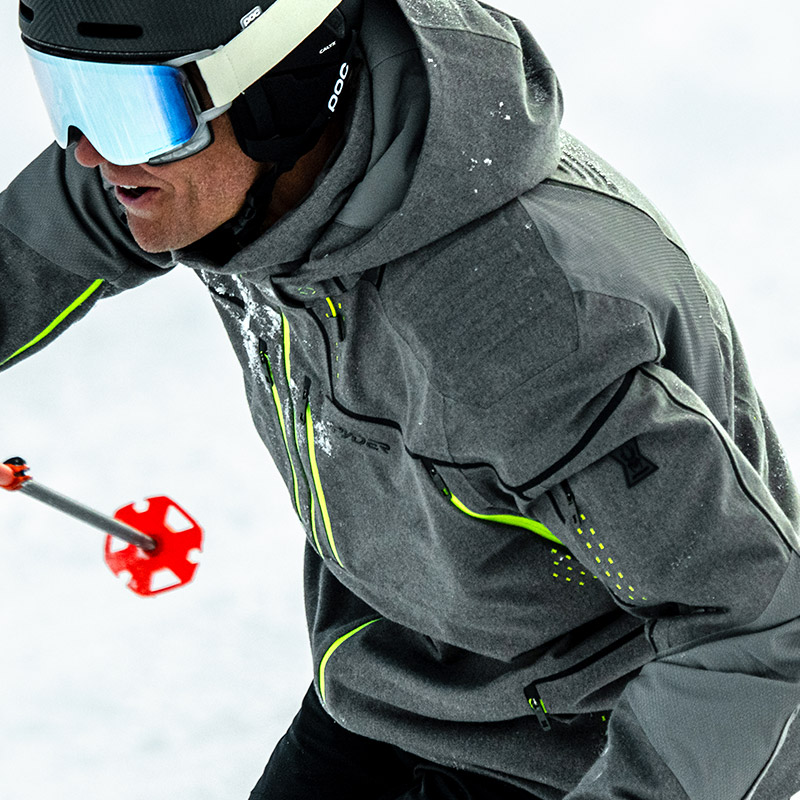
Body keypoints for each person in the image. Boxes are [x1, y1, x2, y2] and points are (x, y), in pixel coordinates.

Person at [2, 1, 799, 798]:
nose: (89, 152)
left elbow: (760, 639)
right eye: (69, 96)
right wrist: (133, 118)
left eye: (127, 110)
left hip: (577, 743)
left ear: (281, 93)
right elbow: (41, 238)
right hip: (394, 677)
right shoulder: (223, 182)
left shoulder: (519, 326)